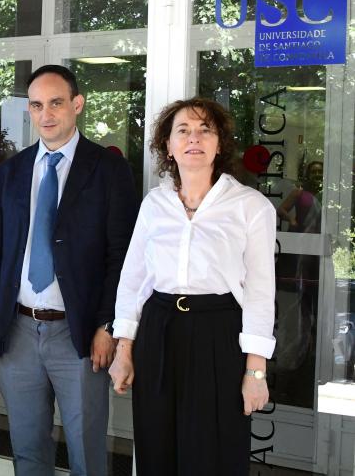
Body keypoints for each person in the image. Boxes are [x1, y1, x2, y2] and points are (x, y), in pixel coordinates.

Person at [0, 65, 139, 476]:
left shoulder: (108, 169)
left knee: (86, 452)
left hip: (79, 333)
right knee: (28, 450)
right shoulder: (11, 172)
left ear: (77, 105)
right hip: (19, 329)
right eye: (36, 105)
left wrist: (108, 325)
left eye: (56, 103)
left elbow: (122, 255)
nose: (46, 114)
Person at [109, 97, 275, 475]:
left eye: (205, 130)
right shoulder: (154, 204)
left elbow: (262, 293)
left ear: (220, 143)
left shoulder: (250, 206)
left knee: (212, 449)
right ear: (168, 145)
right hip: (159, 329)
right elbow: (135, 279)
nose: (193, 138)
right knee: (156, 445)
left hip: (219, 333)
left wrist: (256, 373)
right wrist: (124, 348)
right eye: (182, 131)